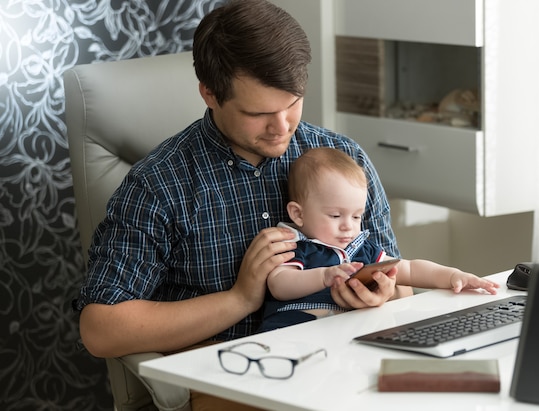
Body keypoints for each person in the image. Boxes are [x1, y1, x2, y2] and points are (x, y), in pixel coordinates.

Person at [74, 1, 405, 409]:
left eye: (292, 103)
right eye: (259, 113)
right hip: (233, 375)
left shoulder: (340, 157)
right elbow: (101, 329)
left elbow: (398, 280)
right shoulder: (159, 184)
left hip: (345, 365)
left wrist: (382, 292)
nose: (282, 127)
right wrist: (240, 298)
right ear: (210, 94)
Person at [259, 147, 499, 332]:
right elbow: (279, 284)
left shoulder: (362, 249)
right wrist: (323, 276)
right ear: (298, 214)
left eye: (356, 216)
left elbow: (411, 269)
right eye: (335, 215)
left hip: (340, 337)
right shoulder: (294, 246)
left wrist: (452, 276)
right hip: (291, 332)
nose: (348, 226)